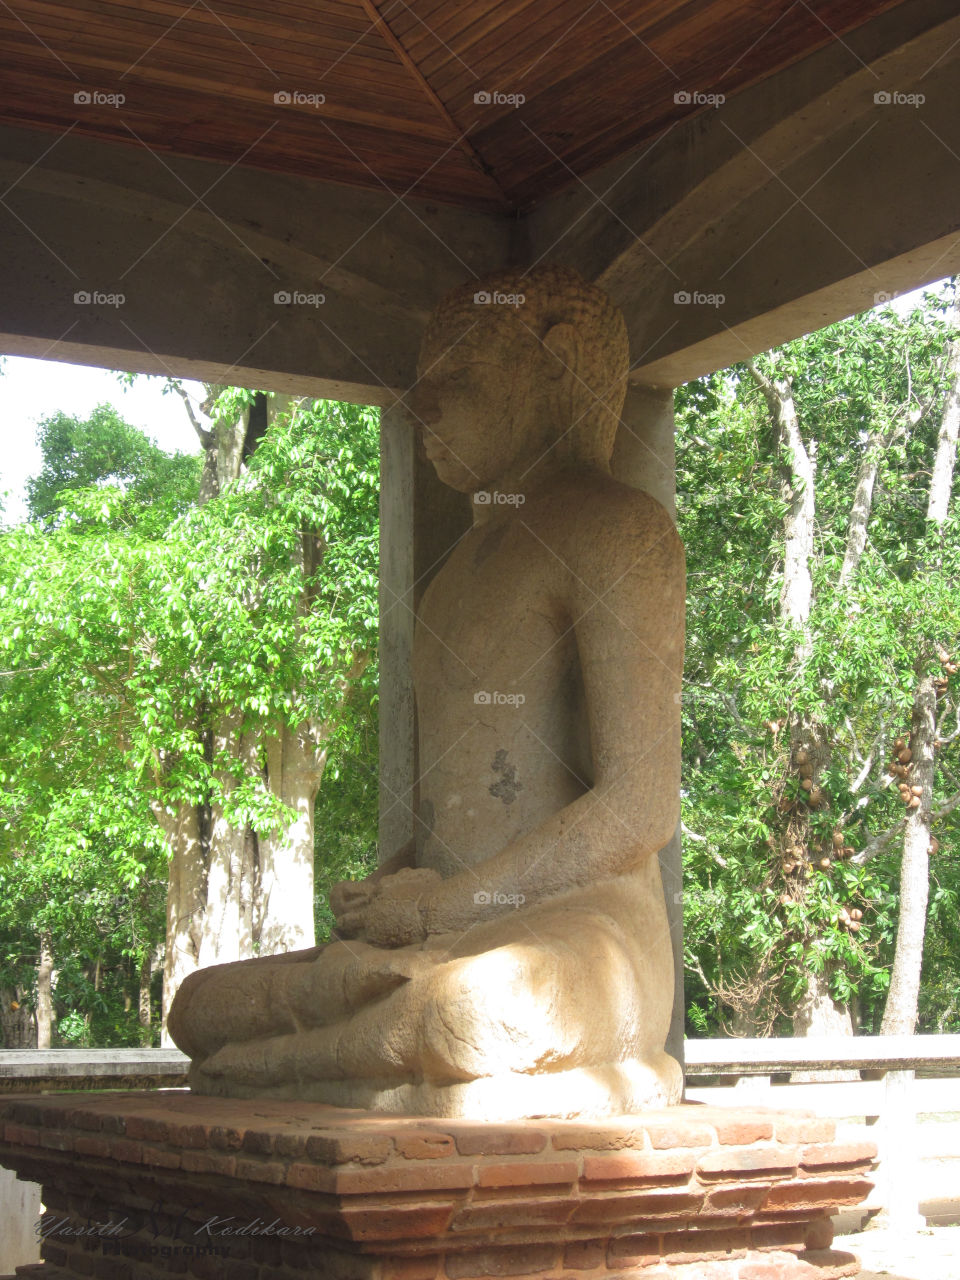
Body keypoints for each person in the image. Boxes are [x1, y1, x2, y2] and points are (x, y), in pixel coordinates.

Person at [168, 264, 685, 1119]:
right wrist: (389, 889)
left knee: (470, 1010)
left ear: (557, 365)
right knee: (200, 1005)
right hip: (441, 931)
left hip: (580, 929)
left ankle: (293, 1061)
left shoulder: (618, 529)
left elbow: (639, 806)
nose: (423, 408)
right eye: (421, 385)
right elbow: (445, 805)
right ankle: (332, 1054)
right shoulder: (449, 580)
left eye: (459, 379)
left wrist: (443, 908)